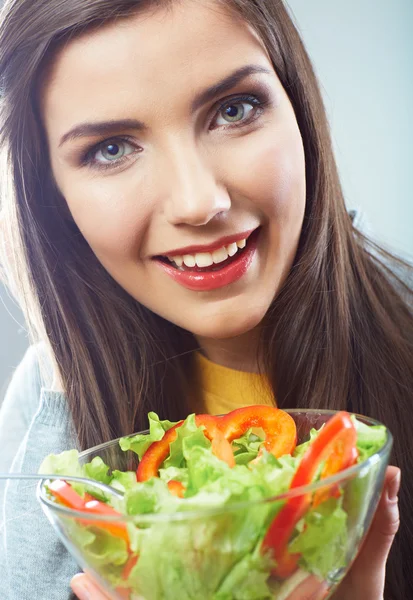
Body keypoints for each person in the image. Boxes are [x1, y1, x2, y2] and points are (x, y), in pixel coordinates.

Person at [0, 0, 411, 599]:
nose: (198, 202)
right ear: (53, 197)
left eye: (234, 110)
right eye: (111, 148)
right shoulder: (46, 418)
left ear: (297, 105)